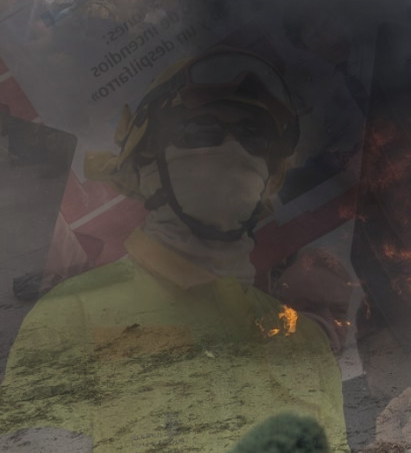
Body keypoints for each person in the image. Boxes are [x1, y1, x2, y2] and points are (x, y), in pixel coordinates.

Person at [0, 48, 349, 451]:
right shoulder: (70, 318)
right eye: (201, 132)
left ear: (271, 179)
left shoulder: (303, 340)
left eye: (254, 136)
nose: (232, 151)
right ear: (146, 164)